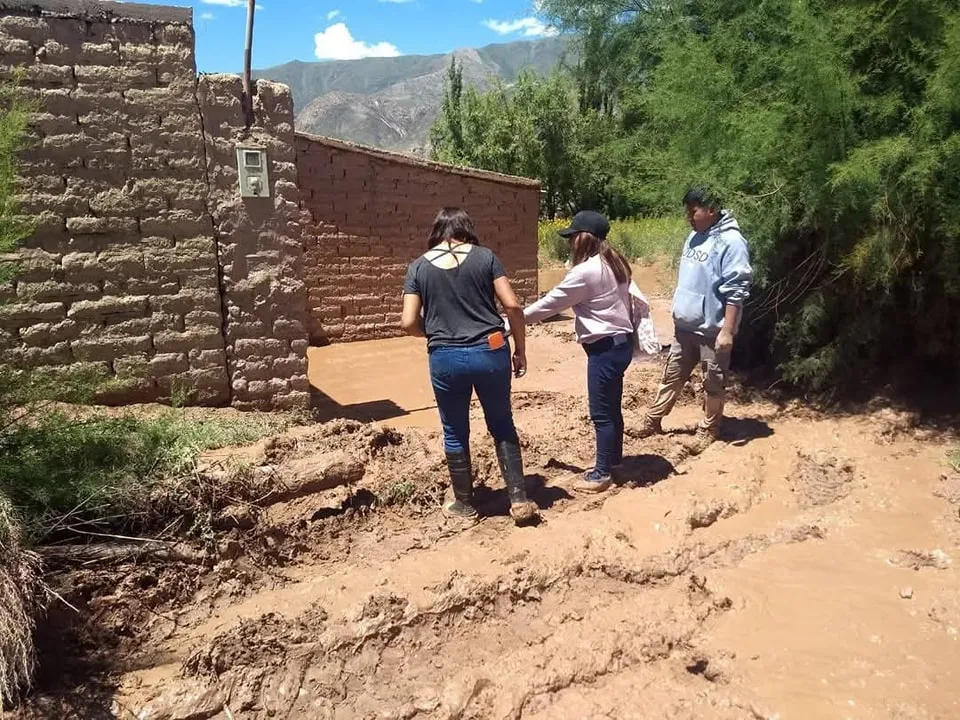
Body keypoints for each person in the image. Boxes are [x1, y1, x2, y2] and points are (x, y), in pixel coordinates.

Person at [401, 207, 539, 525]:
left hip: (445, 357)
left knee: (454, 429)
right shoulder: (486, 257)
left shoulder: (418, 268)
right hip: (490, 350)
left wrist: (436, 334)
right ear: (467, 229)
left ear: (437, 232)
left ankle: (465, 504)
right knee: (502, 423)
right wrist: (520, 349)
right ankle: (518, 498)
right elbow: (513, 306)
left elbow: (408, 321)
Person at [521, 210, 635, 494]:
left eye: (572, 237)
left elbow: (550, 304)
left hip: (605, 349)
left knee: (601, 414)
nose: (569, 242)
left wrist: (514, 321)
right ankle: (615, 462)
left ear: (584, 238)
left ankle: (601, 474)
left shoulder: (585, 272)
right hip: (621, 344)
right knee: (612, 408)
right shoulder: (615, 262)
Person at [634, 186, 753, 454]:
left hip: (712, 331)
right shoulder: (694, 236)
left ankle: (709, 429)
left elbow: (737, 290)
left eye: (693, 211)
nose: (689, 216)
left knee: (713, 382)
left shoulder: (732, 242)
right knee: (672, 376)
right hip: (684, 328)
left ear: (711, 210)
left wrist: (727, 332)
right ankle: (653, 419)